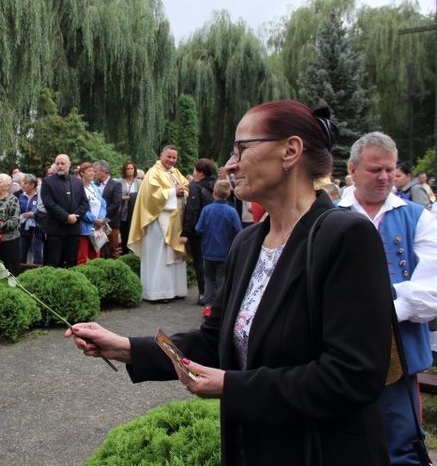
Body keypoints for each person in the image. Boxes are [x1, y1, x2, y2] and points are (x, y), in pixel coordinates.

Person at [66, 100, 394, 465]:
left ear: (290, 151)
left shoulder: (346, 236)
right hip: (251, 447)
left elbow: (354, 375)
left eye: (242, 149)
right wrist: (126, 347)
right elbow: (212, 338)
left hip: (319, 451)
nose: (229, 164)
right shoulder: (248, 242)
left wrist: (231, 386)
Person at [338, 132, 437, 464]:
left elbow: (431, 289)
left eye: (390, 170)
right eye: (374, 170)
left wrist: (379, 311)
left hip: (401, 350)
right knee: (344, 435)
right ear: (352, 169)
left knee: (401, 442)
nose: (384, 177)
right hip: (339, 348)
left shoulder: (418, 218)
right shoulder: (330, 216)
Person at [128, 146, 189, 302]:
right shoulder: (153, 173)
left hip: (175, 221)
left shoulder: (175, 172)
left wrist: (183, 190)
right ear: (161, 155)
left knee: (173, 257)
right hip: (157, 222)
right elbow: (151, 196)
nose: (171, 160)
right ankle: (158, 292)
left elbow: (187, 187)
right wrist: (173, 192)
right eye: (169, 156)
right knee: (160, 257)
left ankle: (176, 290)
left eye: (174, 158)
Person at [188, 179, 241, 316]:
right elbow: (239, 231)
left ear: (214, 193)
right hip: (225, 251)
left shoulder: (206, 210)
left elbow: (199, 228)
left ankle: (208, 306)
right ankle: (220, 306)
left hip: (208, 250)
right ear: (229, 194)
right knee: (221, 279)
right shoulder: (232, 211)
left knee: (209, 279)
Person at [40, 154, 90, 268]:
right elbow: (49, 204)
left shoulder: (77, 182)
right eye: (57, 164)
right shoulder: (47, 182)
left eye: (62, 163)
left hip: (74, 229)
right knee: (54, 263)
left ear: (69, 164)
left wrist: (75, 217)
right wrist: (66, 217)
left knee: (73, 263)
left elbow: (84, 203)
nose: (60, 166)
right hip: (56, 230)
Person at [181, 158, 217, 305]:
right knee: (214, 261)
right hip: (214, 229)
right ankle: (215, 292)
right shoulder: (215, 184)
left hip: (200, 230)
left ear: (200, 172)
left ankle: (203, 293)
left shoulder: (195, 187)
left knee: (199, 260)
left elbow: (192, 210)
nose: (194, 172)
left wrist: (185, 232)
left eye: (196, 169)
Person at [77, 162, 107, 265]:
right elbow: (80, 207)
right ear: (82, 173)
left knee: (96, 256)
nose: (92, 173)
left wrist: (101, 218)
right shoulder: (78, 187)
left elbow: (103, 203)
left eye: (93, 171)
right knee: (82, 257)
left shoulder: (96, 187)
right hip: (84, 227)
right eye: (89, 171)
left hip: (97, 227)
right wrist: (94, 219)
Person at [94, 160, 122, 259]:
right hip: (97, 223)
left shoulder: (116, 185)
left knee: (113, 248)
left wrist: (103, 217)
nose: (94, 173)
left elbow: (116, 204)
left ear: (103, 170)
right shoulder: (94, 185)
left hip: (111, 222)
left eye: (96, 171)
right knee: (99, 249)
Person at [18, 173, 43, 264]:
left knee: (37, 253)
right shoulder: (21, 196)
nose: (23, 185)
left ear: (32, 185)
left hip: (36, 230)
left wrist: (33, 214)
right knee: (21, 254)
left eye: (25, 183)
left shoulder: (39, 197)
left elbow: (42, 211)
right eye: (22, 183)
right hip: (23, 229)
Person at [118, 161, 141, 256]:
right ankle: (124, 254)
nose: (130, 171)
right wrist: (123, 198)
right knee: (124, 235)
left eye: (131, 169)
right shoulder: (119, 182)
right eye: (128, 169)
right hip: (123, 211)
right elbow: (116, 196)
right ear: (124, 170)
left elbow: (141, 197)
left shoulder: (138, 182)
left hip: (134, 212)